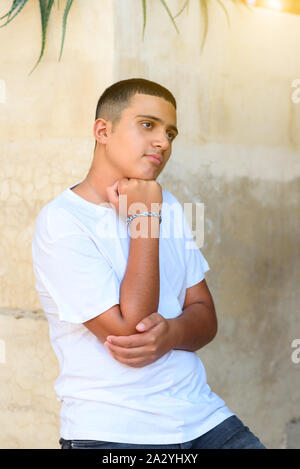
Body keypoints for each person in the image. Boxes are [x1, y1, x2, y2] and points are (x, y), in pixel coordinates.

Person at [32, 78, 266, 449]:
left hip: (203, 417)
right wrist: (143, 219)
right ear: (102, 130)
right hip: (114, 433)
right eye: (147, 125)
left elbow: (205, 315)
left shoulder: (168, 204)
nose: (163, 142)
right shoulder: (63, 221)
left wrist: (171, 333)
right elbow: (129, 335)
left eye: (171, 133)